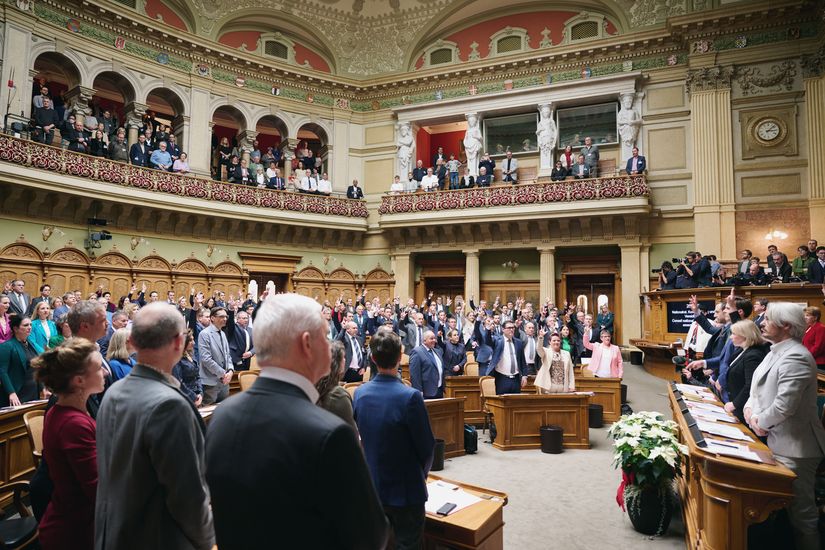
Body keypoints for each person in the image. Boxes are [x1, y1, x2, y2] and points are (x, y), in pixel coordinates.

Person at [205, 293, 389, 550]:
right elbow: (370, 537)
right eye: (325, 335)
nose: (332, 344)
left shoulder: (221, 416)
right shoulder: (330, 433)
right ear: (306, 344)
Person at [95, 303, 214, 550]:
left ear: (133, 342)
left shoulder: (114, 392)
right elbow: (187, 498)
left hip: (114, 534)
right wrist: (210, 542)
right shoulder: (170, 405)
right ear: (179, 343)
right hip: (156, 538)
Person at [744, 303, 825, 550]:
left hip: (796, 448)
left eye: (768, 319)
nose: (762, 323)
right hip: (773, 439)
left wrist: (759, 422)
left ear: (787, 326)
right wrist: (750, 412)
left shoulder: (798, 356)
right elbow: (755, 392)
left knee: (802, 517)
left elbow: (784, 406)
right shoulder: (773, 351)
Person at [353, 329, 435, 550]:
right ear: (401, 356)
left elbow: (360, 439)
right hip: (406, 492)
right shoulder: (411, 397)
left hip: (373, 488)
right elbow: (427, 449)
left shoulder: (359, 393)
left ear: (372, 358)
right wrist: (422, 475)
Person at [33, 338, 104, 550]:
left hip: (77, 522)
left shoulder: (66, 411)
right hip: (74, 533)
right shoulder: (73, 424)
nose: (105, 373)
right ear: (79, 381)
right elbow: (97, 488)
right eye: (99, 368)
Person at [722, 320, 768, 423]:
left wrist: (734, 404)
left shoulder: (753, 355)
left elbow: (751, 385)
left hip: (744, 409)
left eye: (734, 334)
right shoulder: (742, 350)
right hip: (736, 405)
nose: (731, 337)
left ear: (745, 335)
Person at [315, 340, 357, 433]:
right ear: (336, 363)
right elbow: (351, 435)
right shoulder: (338, 395)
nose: (345, 360)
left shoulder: (313, 388)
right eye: (343, 357)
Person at [197, 306, 234, 405]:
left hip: (224, 381)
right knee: (207, 413)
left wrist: (230, 371)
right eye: (221, 316)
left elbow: (228, 356)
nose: (225, 319)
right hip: (211, 381)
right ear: (212, 318)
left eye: (226, 317)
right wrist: (223, 374)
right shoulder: (204, 334)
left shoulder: (222, 334)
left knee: (222, 410)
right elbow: (206, 359)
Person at [0, 316, 39, 406]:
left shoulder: (31, 344)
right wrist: (11, 392)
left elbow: (37, 367)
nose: (29, 327)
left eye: (30, 325)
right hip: (18, 393)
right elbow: (2, 371)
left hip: (33, 391)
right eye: (25, 325)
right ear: (16, 328)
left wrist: (43, 388)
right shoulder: (7, 346)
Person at [487, 320, 527, 394]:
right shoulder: (497, 340)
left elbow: (522, 361)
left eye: (513, 328)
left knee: (515, 403)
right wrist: (488, 329)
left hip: (516, 379)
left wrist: (524, 375)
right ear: (503, 329)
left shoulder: (518, 342)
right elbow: (488, 341)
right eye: (509, 328)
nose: (511, 330)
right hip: (502, 378)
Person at [409, 329, 444, 398]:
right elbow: (414, 374)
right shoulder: (417, 352)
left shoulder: (437, 352)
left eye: (434, 338)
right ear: (424, 340)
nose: (434, 340)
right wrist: (418, 391)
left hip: (439, 391)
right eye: (431, 338)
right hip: (426, 393)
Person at [172, 332, 203, 406]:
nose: (194, 342)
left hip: (197, 396)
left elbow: (197, 376)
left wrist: (200, 393)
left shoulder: (191, 354)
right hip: (185, 397)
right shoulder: (176, 359)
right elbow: (179, 382)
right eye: (191, 340)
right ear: (183, 342)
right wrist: (193, 397)